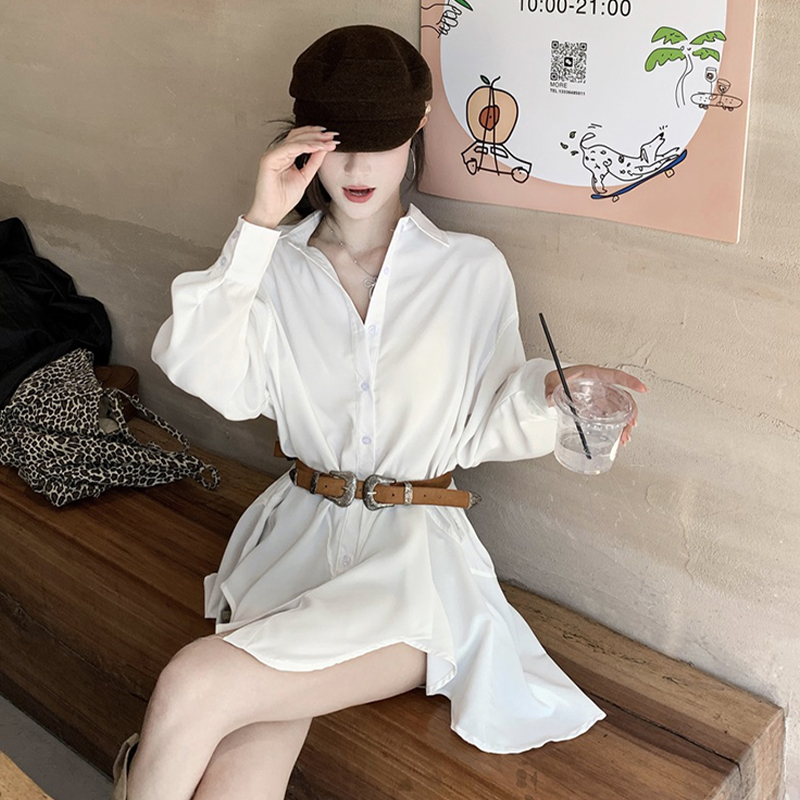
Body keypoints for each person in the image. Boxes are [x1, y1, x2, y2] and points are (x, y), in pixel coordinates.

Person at [109, 23, 646, 800]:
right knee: (236, 777)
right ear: (302, 142)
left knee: (197, 681)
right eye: (338, 144)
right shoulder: (274, 268)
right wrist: (258, 225)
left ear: (419, 126)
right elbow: (203, 367)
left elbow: (485, 418)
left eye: (381, 140)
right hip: (295, 542)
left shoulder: (468, 271)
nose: (358, 167)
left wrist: (552, 396)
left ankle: (136, 772)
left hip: (413, 565)